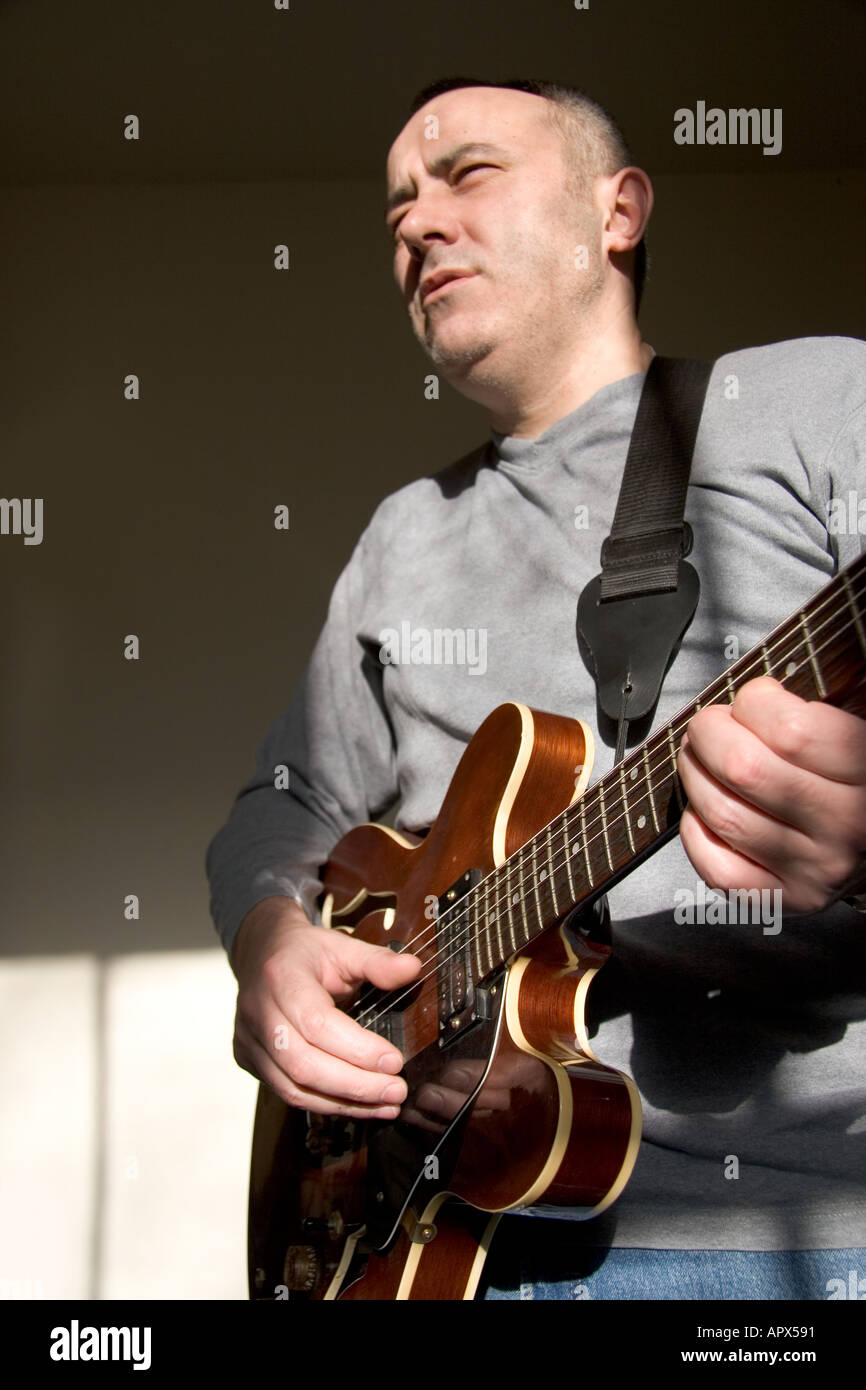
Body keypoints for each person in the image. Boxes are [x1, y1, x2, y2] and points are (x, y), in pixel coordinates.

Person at [207, 78, 866, 1300]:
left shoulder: (817, 401)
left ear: (615, 213)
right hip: (445, 1239)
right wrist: (267, 940)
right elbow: (278, 806)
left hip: (799, 1230)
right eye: (396, 204)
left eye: (466, 174)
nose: (414, 223)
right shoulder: (398, 537)